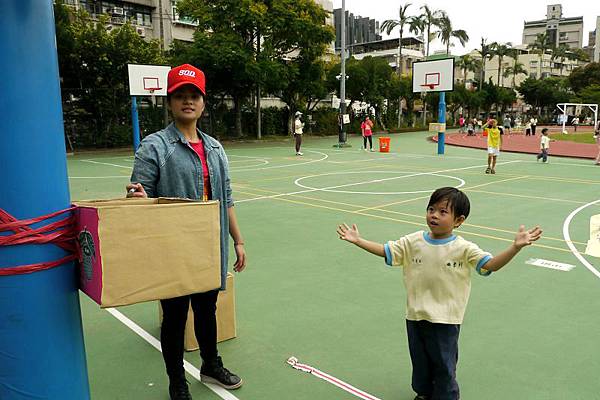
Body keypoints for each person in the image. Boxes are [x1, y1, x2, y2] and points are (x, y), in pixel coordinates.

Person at [336, 187, 542, 400]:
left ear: (459, 220)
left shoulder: (463, 248)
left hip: (445, 319)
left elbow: (490, 265)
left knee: (444, 364)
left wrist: (515, 248)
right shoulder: (413, 241)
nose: (434, 215)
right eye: (431, 209)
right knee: (420, 360)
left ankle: (447, 397)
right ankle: (424, 393)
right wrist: (359, 240)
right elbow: (387, 251)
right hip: (415, 315)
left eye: (443, 212)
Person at [126, 64, 247, 400]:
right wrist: (138, 197)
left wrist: (238, 240)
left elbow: (227, 198)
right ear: (170, 102)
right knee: (175, 317)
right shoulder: (154, 146)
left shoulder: (216, 149)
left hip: (209, 246)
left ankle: (210, 364)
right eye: (180, 95)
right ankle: (176, 380)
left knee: (207, 310)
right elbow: (140, 199)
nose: (188, 101)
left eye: (194, 95)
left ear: (203, 103)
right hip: (173, 248)